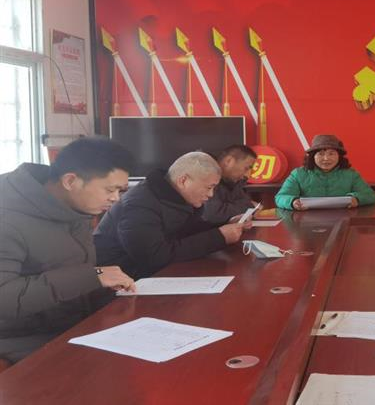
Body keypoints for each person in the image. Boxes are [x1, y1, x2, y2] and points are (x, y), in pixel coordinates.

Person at [0, 138, 136, 364]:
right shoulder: (7, 218)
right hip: (22, 340)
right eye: (110, 189)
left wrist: (108, 292)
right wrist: (94, 276)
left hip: (71, 326)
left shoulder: (74, 209)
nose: (115, 198)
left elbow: (70, 272)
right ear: (70, 181)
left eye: (120, 190)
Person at [94, 151, 249, 280]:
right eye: (209, 187)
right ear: (183, 181)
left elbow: (189, 231)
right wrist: (219, 237)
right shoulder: (139, 204)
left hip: (156, 275)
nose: (211, 194)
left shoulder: (179, 197)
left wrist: (226, 225)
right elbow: (154, 257)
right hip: (123, 282)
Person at [275, 134, 375, 210]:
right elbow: (280, 197)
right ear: (312, 157)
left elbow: (370, 195)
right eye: (321, 154)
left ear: (339, 156)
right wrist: (292, 202)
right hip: (307, 221)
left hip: (343, 220)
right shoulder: (298, 174)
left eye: (331, 154)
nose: (326, 158)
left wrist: (356, 199)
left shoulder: (351, 174)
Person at [202, 144, 258, 224]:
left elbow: (248, 204)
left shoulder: (234, 181)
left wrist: (229, 207)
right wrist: (246, 207)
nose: (248, 175)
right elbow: (213, 214)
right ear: (229, 161)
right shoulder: (206, 174)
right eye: (246, 168)